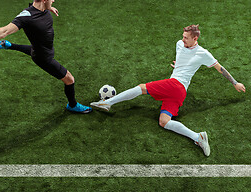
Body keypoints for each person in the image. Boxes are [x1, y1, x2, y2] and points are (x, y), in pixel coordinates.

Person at [91, 24, 246, 156]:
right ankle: (198, 137)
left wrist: (235, 82)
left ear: (195, 39)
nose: (183, 39)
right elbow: (182, 58)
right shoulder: (179, 44)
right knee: (164, 121)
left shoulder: (203, 53)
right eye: (183, 36)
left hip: (176, 85)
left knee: (141, 88)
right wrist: (178, 65)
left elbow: (220, 69)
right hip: (179, 92)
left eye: (186, 37)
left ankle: (108, 103)